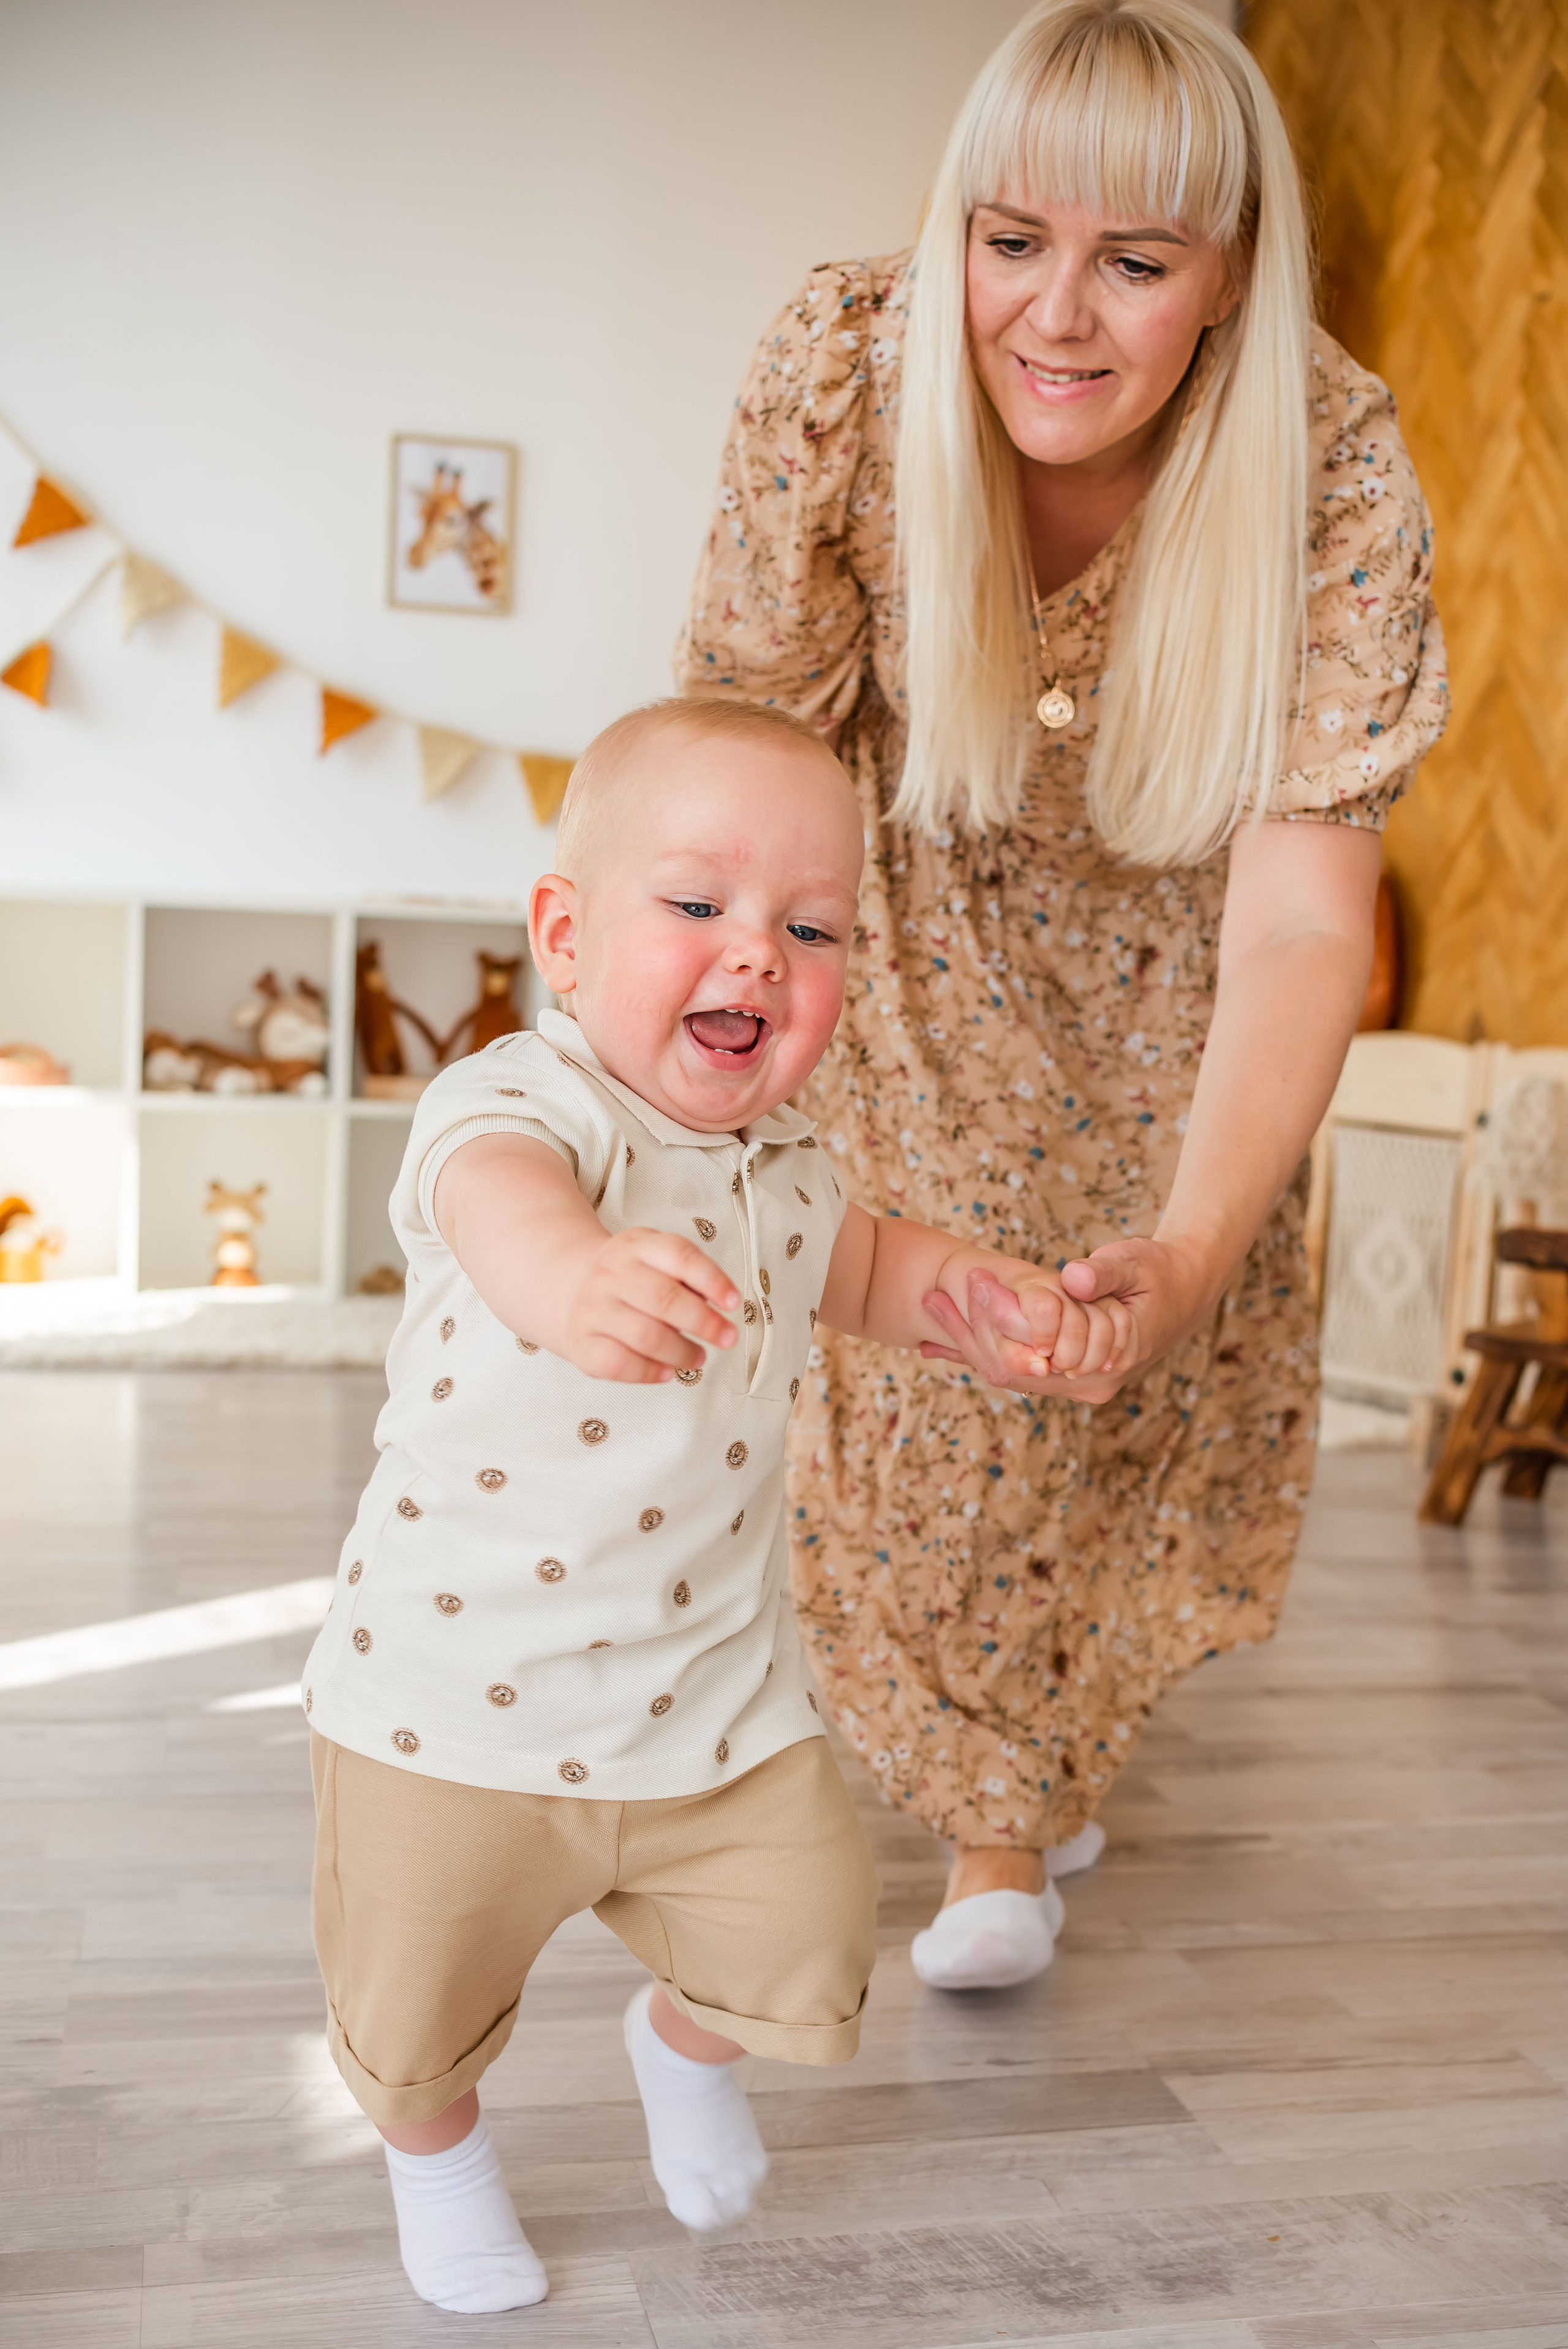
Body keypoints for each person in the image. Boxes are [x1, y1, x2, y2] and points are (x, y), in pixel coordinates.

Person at [676, 0, 1448, 1992]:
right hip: (905, 930)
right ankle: (993, 1831)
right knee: (946, 1371)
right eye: (1011, 239)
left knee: (1118, 1384)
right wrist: (709, 1032)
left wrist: (1197, 1245)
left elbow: (1297, 921)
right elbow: (756, 745)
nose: (1057, 316)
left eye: (1135, 259)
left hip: (1185, 993)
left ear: (1232, 278)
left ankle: (1037, 1745)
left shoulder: (1334, 466)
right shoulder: (845, 366)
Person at [300, 695, 1122, 2315]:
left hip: (713, 1702)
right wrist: (576, 1275)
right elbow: (498, 1205)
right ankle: (443, 2163)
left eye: (811, 926)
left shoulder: (797, 1172)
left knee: (815, 1921)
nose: (758, 952)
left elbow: (879, 1269)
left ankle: (679, 2049)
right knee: (409, 1999)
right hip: (450, 1708)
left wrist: (998, 1309)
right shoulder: (515, 1105)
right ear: (565, 934)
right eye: (697, 905)